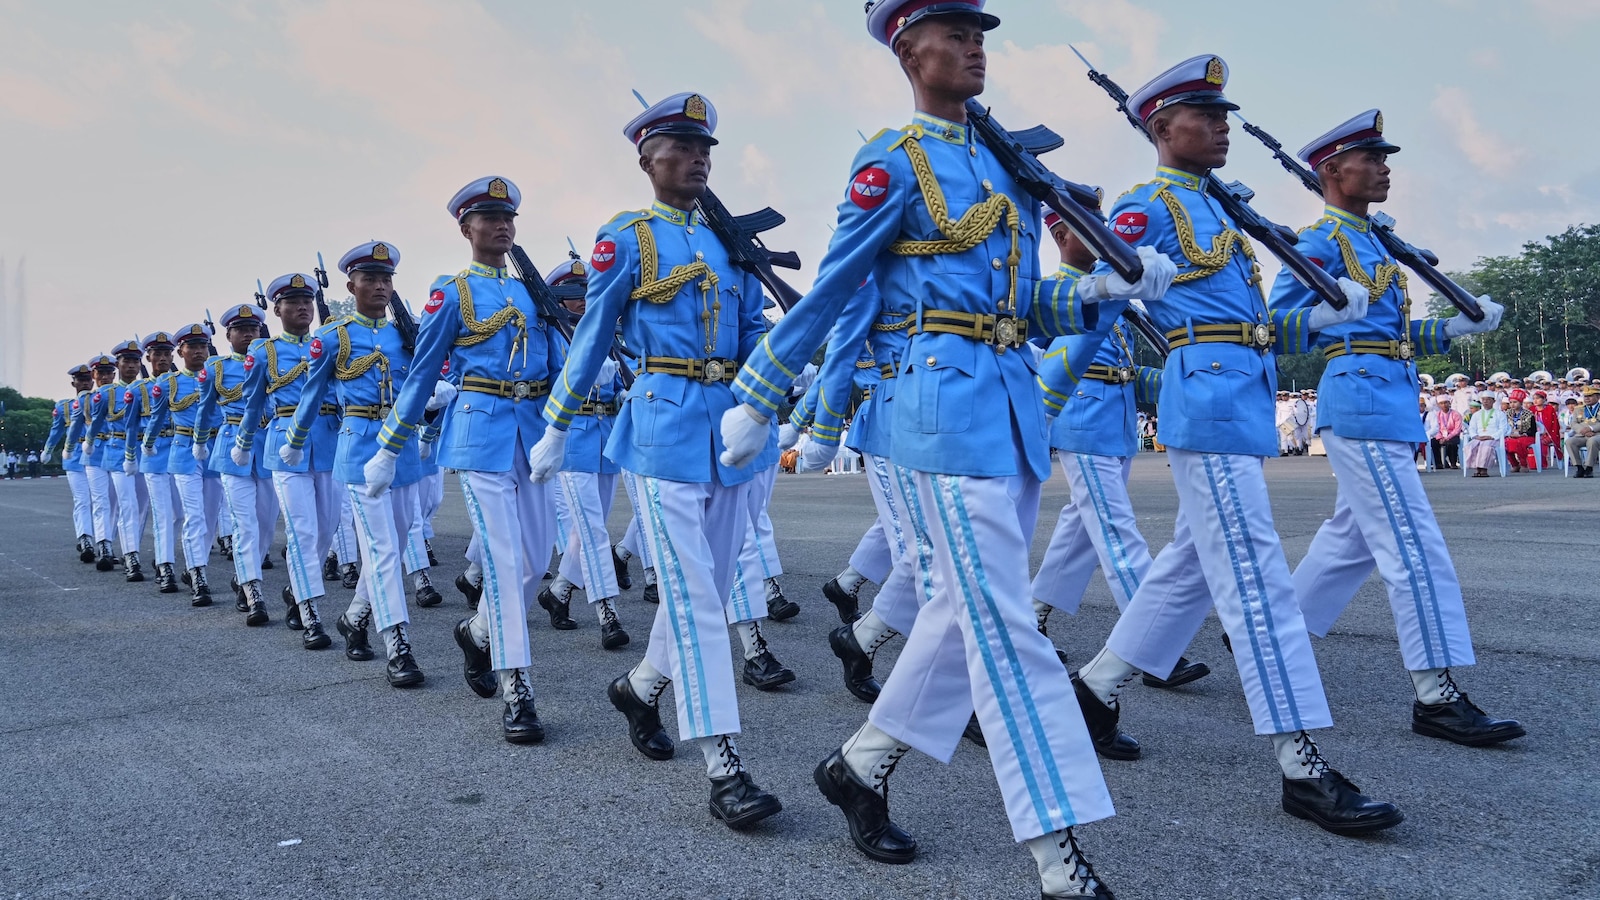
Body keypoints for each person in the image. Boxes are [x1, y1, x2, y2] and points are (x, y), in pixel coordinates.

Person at [720, 4, 1164, 893]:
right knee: (1003, 624)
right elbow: (835, 289)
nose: (975, 48)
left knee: (960, 615)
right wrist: (763, 394)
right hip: (933, 415)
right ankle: (1058, 853)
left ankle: (861, 766)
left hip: (1008, 415)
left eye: (980, 36)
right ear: (908, 51)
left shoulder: (1003, 164)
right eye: (955, 35)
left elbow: (1022, 308)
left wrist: (1092, 292)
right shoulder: (894, 161)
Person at [1065, 57, 1409, 838]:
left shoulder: (1219, 208)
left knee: (1190, 561)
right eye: (1206, 115)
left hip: (1240, 395)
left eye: (1224, 115)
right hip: (1208, 399)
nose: (1224, 127)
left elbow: (1256, 323)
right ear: (1162, 128)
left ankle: (1094, 688)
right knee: (1255, 576)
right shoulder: (1146, 207)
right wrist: (1050, 392)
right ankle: (1301, 763)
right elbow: (1098, 311)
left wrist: (1316, 319)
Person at [525, 94, 786, 829]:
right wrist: (557, 422)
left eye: (705, 148)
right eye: (681, 147)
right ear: (647, 160)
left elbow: (753, 329)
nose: (698, 158)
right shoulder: (628, 238)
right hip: (661, 429)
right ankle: (724, 764)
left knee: (704, 589)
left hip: (728, 430)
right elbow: (590, 335)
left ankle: (640, 688)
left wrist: (767, 398)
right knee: (699, 597)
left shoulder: (728, 240)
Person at [1271, 109, 1521, 749]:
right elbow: (1277, 326)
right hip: (1358, 399)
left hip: (1390, 399)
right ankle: (1436, 694)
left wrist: (1454, 328)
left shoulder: (1376, 239)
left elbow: (1396, 335)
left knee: (1352, 537)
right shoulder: (1320, 242)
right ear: (1333, 171)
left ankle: (1279, 631)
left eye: (1385, 159)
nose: (1385, 169)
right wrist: (1327, 316)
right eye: (1372, 159)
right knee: (1413, 543)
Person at [367, 178, 562, 739]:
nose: (502, 226)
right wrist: (390, 446)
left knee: (535, 559)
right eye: (490, 218)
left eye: (508, 218)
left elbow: (555, 367)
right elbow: (422, 373)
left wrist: (561, 427)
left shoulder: (531, 292)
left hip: (532, 431)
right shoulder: (451, 293)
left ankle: (477, 633)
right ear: (466, 228)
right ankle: (517, 687)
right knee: (503, 561)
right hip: (479, 433)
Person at [288, 241, 431, 688]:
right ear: (351, 286)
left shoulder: (407, 334)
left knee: (397, 542)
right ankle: (398, 644)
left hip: (402, 448)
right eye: (370, 278)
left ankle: (355, 617)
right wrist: (294, 441)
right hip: (358, 448)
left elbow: (424, 383)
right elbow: (311, 395)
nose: (380, 286)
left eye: (386, 278)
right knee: (383, 550)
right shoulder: (334, 337)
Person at [235, 273, 343, 650]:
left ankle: (298, 587)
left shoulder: (330, 342)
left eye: (307, 301)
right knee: (303, 531)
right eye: (293, 302)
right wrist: (243, 442)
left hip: (327, 441)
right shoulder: (264, 352)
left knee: (327, 529)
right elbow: (253, 403)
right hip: (285, 447)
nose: (302, 307)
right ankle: (310, 612)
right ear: (277, 310)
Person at [538, 256, 634, 652]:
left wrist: (626, 392)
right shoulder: (552, 335)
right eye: (573, 293)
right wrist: (577, 375)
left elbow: (619, 381)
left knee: (584, 530)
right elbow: (545, 382)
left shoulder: (603, 328)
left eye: (586, 291)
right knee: (593, 529)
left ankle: (559, 591)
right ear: (558, 298)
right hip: (572, 438)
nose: (581, 299)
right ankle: (607, 612)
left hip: (605, 438)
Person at [194, 305, 279, 624]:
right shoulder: (216, 368)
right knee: (244, 524)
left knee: (267, 523)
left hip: (266, 444)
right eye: (241, 330)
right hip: (231, 447)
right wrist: (200, 441)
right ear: (228, 336)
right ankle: (253, 590)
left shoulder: (272, 359)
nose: (248, 334)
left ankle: (244, 574)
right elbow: (205, 408)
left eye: (253, 329)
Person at [142, 323, 224, 605]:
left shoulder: (218, 375)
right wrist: (148, 444)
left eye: (203, 346)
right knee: (194, 514)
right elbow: (156, 417)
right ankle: (198, 573)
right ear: (181, 352)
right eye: (193, 347)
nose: (199, 351)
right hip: (184, 450)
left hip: (214, 448)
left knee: (211, 516)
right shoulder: (169, 383)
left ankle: (195, 565)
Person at [125, 330, 184, 593]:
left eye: (166, 353)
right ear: (147, 358)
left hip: (179, 451)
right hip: (154, 454)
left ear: (173, 356)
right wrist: (130, 456)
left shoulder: (181, 383)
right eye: (157, 354)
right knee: (162, 513)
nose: (162, 358)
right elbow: (130, 426)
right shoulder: (138, 390)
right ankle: (165, 566)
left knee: (179, 514)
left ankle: (163, 555)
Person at [42, 364, 97, 560]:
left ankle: (104, 541)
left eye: (87, 379)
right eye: (80, 380)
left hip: (97, 456)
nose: (85, 383)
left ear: (93, 381)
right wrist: (48, 450)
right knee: (82, 500)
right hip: (74, 457)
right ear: (73, 383)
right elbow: (56, 431)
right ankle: (85, 538)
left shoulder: (101, 400)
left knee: (101, 502)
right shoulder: (64, 407)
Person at [1463, 396, 1506, 476]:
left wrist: (1491, 436)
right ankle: (1477, 468)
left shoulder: (1500, 414)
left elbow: (1503, 429)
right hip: (1479, 438)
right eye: (1484, 400)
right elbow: (1471, 428)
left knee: (1485, 447)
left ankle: (1484, 469)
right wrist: (1476, 436)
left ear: (1494, 401)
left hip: (1493, 438)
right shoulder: (1477, 414)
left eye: (1488, 399)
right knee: (1470, 446)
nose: (1485, 401)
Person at [1563, 386, 1600, 477]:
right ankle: (1579, 467)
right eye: (1585, 396)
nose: (1587, 398)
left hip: (1597, 434)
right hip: (1582, 434)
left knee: (1592, 441)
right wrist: (1583, 430)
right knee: (1569, 442)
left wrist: (1591, 429)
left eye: (1590, 396)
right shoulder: (1579, 409)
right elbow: (1573, 423)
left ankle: (1589, 468)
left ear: (1598, 397)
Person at [1502, 390, 1536, 472]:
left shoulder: (1528, 414)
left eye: (1515, 402)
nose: (1512, 404)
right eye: (1511, 402)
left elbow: (1533, 429)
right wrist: (1509, 434)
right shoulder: (1507, 414)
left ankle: (1524, 464)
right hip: (1511, 435)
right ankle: (1515, 464)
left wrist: (1522, 434)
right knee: (1505, 443)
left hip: (1526, 436)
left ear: (1520, 403)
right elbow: (1504, 427)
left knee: (1519, 442)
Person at [1529, 390, 1561, 469]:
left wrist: (1546, 433)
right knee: (1530, 441)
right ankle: (1532, 464)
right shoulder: (1531, 409)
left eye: (1538, 398)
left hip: (1549, 434)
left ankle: (1542, 464)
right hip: (1534, 434)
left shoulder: (1550, 409)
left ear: (1544, 400)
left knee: (1541, 442)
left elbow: (1554, 424)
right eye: (1534, 399)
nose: (1535, 400)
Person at [1429, 397, 1463, 470]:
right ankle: (1438, 464)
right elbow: (1436, 428)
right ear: (1438, 405)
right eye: (1441, 403)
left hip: (1452, 435)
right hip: (1440, 436)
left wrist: (1447, 438)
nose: (1444, 405)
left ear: (1449, 403)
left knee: (1452, 443)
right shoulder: (1437, 415)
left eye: (1445, 403)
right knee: (1433, 443)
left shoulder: (1456, 414)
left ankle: (1453, 463)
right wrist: (1440, 437)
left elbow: (1457, 429)